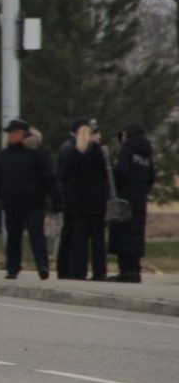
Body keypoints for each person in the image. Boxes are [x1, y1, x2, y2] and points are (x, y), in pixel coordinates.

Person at [0, 118, 60, 281]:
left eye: (12, 133)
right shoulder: (5, 154)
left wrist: (56, 197)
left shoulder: (37, 153)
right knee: (13, 236)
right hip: (11, 202)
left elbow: (48, 176)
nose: (10, 137)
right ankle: (12, 267)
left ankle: (42, 265)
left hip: (33, 202)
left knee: (36, 233)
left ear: (21, 134)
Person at [56, 118, 110, 280]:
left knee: (80, 236)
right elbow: (105, 174)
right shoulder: (98, 150)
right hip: (98, 199)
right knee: (98, 238)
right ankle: (100, 271)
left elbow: (63, 175)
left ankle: (78, 271)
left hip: (78, 199)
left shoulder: (73, 150)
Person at [109, 123, 156, 283]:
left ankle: (125, 271)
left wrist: (115, 187)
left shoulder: (127, 149)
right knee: (135, 236)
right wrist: (143, 191)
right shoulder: (146, 153)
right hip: (140, 199)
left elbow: (121, 171)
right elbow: (152, 177)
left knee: (123, 234)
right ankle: (135, 271)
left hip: (125, 198)